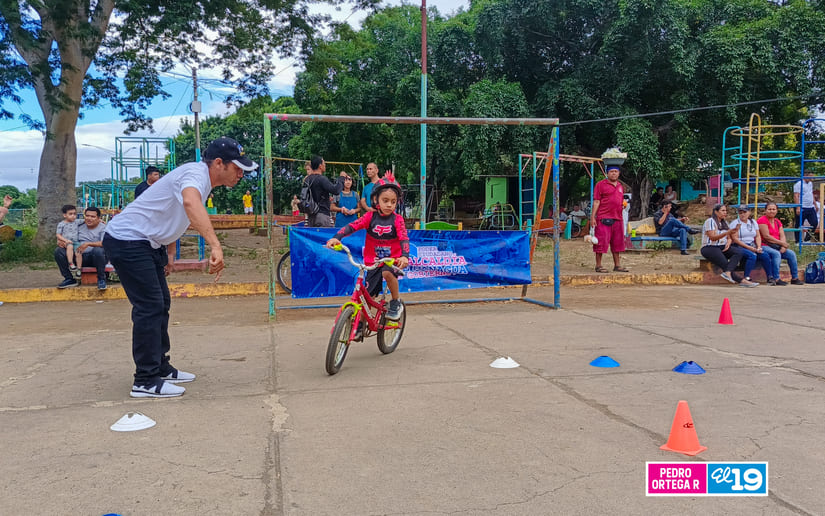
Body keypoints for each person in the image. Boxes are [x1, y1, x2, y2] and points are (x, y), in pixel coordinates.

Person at [102, 136, 257, 398]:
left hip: (147, 243)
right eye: (237, 167)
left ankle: (160, 366)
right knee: (149, 307)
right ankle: (145, 380)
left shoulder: (202, 180)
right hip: (127, 240)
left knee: (161, 303)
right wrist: (215, 246)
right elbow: (189, 204)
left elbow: (173, 214)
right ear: (219, 163)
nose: (241, 174)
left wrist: (169, 254)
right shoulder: (195, 174)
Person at [326, 172, 410, 322]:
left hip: (392, 260)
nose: (389, 205)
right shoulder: (370, 217)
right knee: (366, 298)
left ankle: (395, 301)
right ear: (375, 200)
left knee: (387, 273)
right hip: (372, 261)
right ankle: (359, 326)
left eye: (393, 201)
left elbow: (403, 238)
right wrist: (336, 238)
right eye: (385, 200)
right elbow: (353, 226)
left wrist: (404, 256)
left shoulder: (398, 220)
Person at [700, 204, 756, 286]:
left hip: (721, 246)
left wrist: (729, 242)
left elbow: (729, 237)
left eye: (725, 211)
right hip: (709, 247)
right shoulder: (710, 221)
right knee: (725, 264)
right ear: (716, 212)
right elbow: (712, 237)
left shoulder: (724, 223)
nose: (725, 213)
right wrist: (727, 232)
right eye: (722, 211)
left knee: (739, 252)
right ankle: (742, 281)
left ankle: (728, 272)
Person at [590, 166, 628, 272]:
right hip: (603, 218)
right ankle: (598, 265)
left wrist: (623, 205)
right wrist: (593, 217)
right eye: (611, 172)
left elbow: (620, 201)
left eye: (616, 172)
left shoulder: (620, 186)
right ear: (607, 173)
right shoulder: (600, 185)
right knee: (601, 242)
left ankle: (617, 265)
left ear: (619, 173)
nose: (614, 174)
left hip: (618, 218)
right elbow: (597, 201)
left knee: (617, 243)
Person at [757, 201, 804, 285]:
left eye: (773, 209)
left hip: (777, 245)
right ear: (765, 210)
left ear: (776, 210)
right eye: (769, 209)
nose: (771, 211)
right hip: (765, 245)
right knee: (776, 254)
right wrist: (782, 244)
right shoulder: (762, 220)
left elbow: (782, 235)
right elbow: (766, 236)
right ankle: (776, 278)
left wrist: (783, 246)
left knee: (791, 254)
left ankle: (795, 278)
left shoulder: (777, 222)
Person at [729, 205, 773, 285]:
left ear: (749, 213)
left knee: (765, 255)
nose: (743, 214)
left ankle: (770, 277)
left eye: (745, 212)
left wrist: (759, 246)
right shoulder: (735, 223)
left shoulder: (753, 222)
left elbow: (757, 235)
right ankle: (747, 277)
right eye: (740, 213)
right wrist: (749, 248)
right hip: (740, 245)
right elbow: (735, 239)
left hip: (752, 244)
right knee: (752, 255)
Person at [304, 155, 348, 227]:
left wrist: (327, 197)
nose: (325, 166)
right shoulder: (322, 179)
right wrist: (341, 178)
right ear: (320, 166)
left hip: (311, 215)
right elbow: (336, 190)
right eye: (324, 164)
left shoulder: (307, 180)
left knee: (313, 237)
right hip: (322, 214)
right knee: (323, 237)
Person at [793, 170, 818, 242]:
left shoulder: (810, 183)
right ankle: (797, 241)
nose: (811, 179)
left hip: (810, 207)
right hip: (802, 206)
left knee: (814, 223)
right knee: (798, 224)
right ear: (805, 175)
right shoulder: (798, 184)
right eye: (810, 177)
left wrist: (815, 204)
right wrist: (798, 207)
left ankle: (807, 239)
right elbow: (796, 196)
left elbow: (811, 193)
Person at [56, 204, 81, 276]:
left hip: (76, 241)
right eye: (70, 214)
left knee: (79, 251)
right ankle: (71, 263)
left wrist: (100, 220)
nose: (73, 216)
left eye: (74, 214)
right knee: (70, 247)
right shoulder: (61, 224)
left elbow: (86, 220)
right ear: (65, 215)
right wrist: (65, 240)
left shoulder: (77, 222)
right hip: (67, 242)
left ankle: (79, 268)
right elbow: (58, 234)